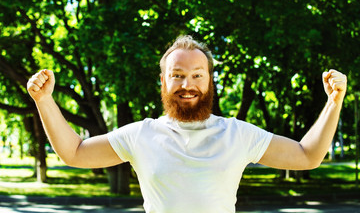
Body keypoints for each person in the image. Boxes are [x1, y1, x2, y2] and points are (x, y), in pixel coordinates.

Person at [27, 35, 347, 213]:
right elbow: (75, 153)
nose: (187, 84)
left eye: (197, 75)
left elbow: (307, 156)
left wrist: (334, 102)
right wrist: (45, 100)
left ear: (209, 80)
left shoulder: (238, 134)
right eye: (177, 75)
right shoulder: (141, 134)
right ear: (163, 82)